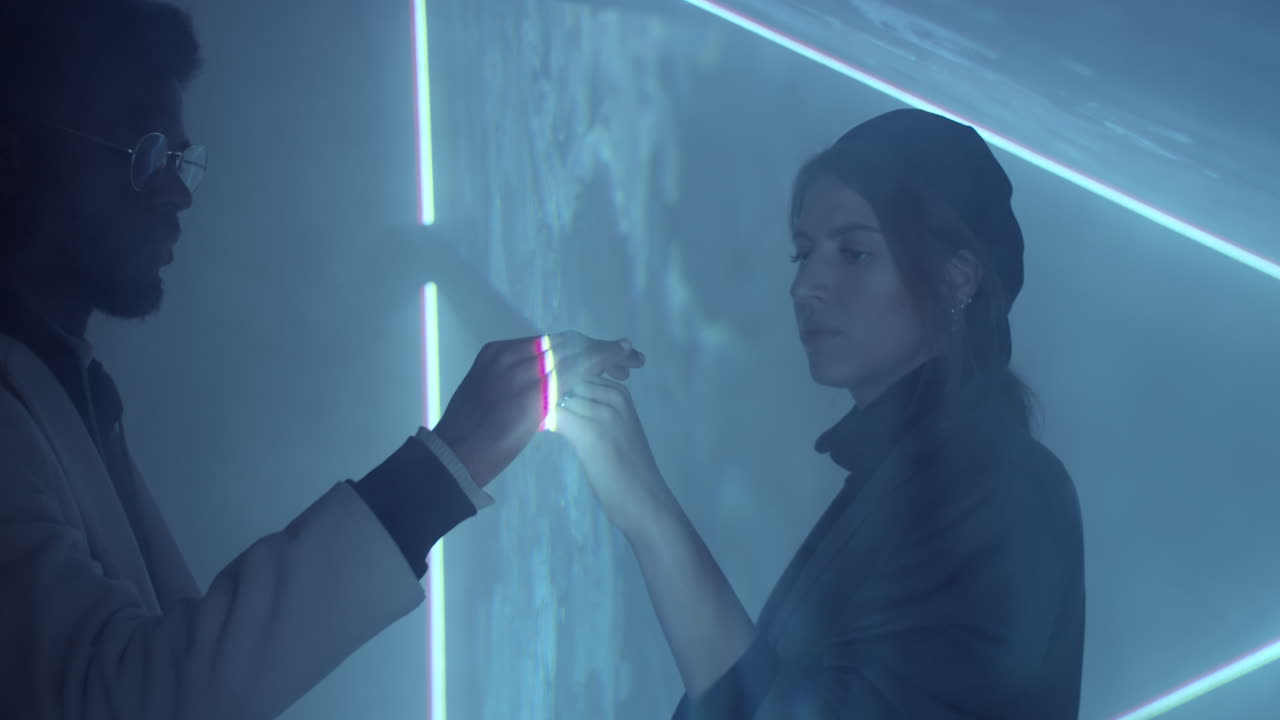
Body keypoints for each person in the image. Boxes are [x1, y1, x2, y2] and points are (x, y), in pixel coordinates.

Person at [0, 2, 644, 718]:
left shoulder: (71, 386)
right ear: (16, 151)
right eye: (146, 152)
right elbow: (117, 699)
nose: (178, 192)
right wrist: (450, 461)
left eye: (181, 160)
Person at [555, 108, 1086, 718]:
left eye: (854, 253)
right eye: (803, 252)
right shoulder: (908, 482)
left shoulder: (1002, 492)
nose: (805, 285)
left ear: (956, 278)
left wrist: (645, 505)